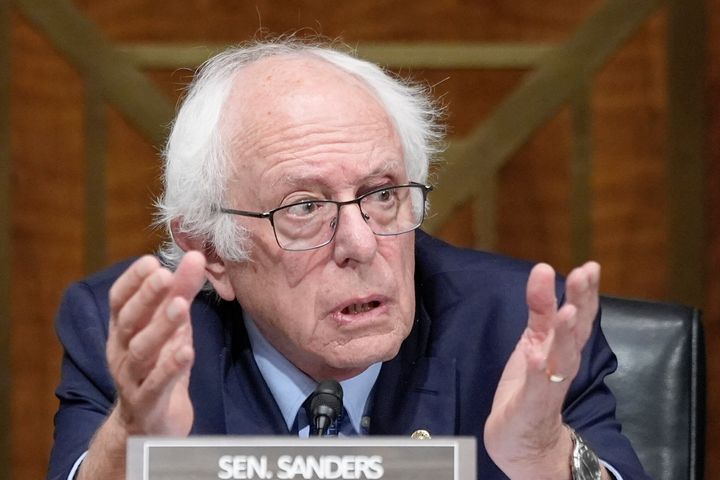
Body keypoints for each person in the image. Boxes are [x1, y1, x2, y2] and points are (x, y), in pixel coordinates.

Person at [47, 39, 649, 480]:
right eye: (304, 207)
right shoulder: (135, 344)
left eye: (382, 195)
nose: (361, 245)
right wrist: (132, 442)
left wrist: (549, 460)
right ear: (211, 254)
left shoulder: (519, 332)